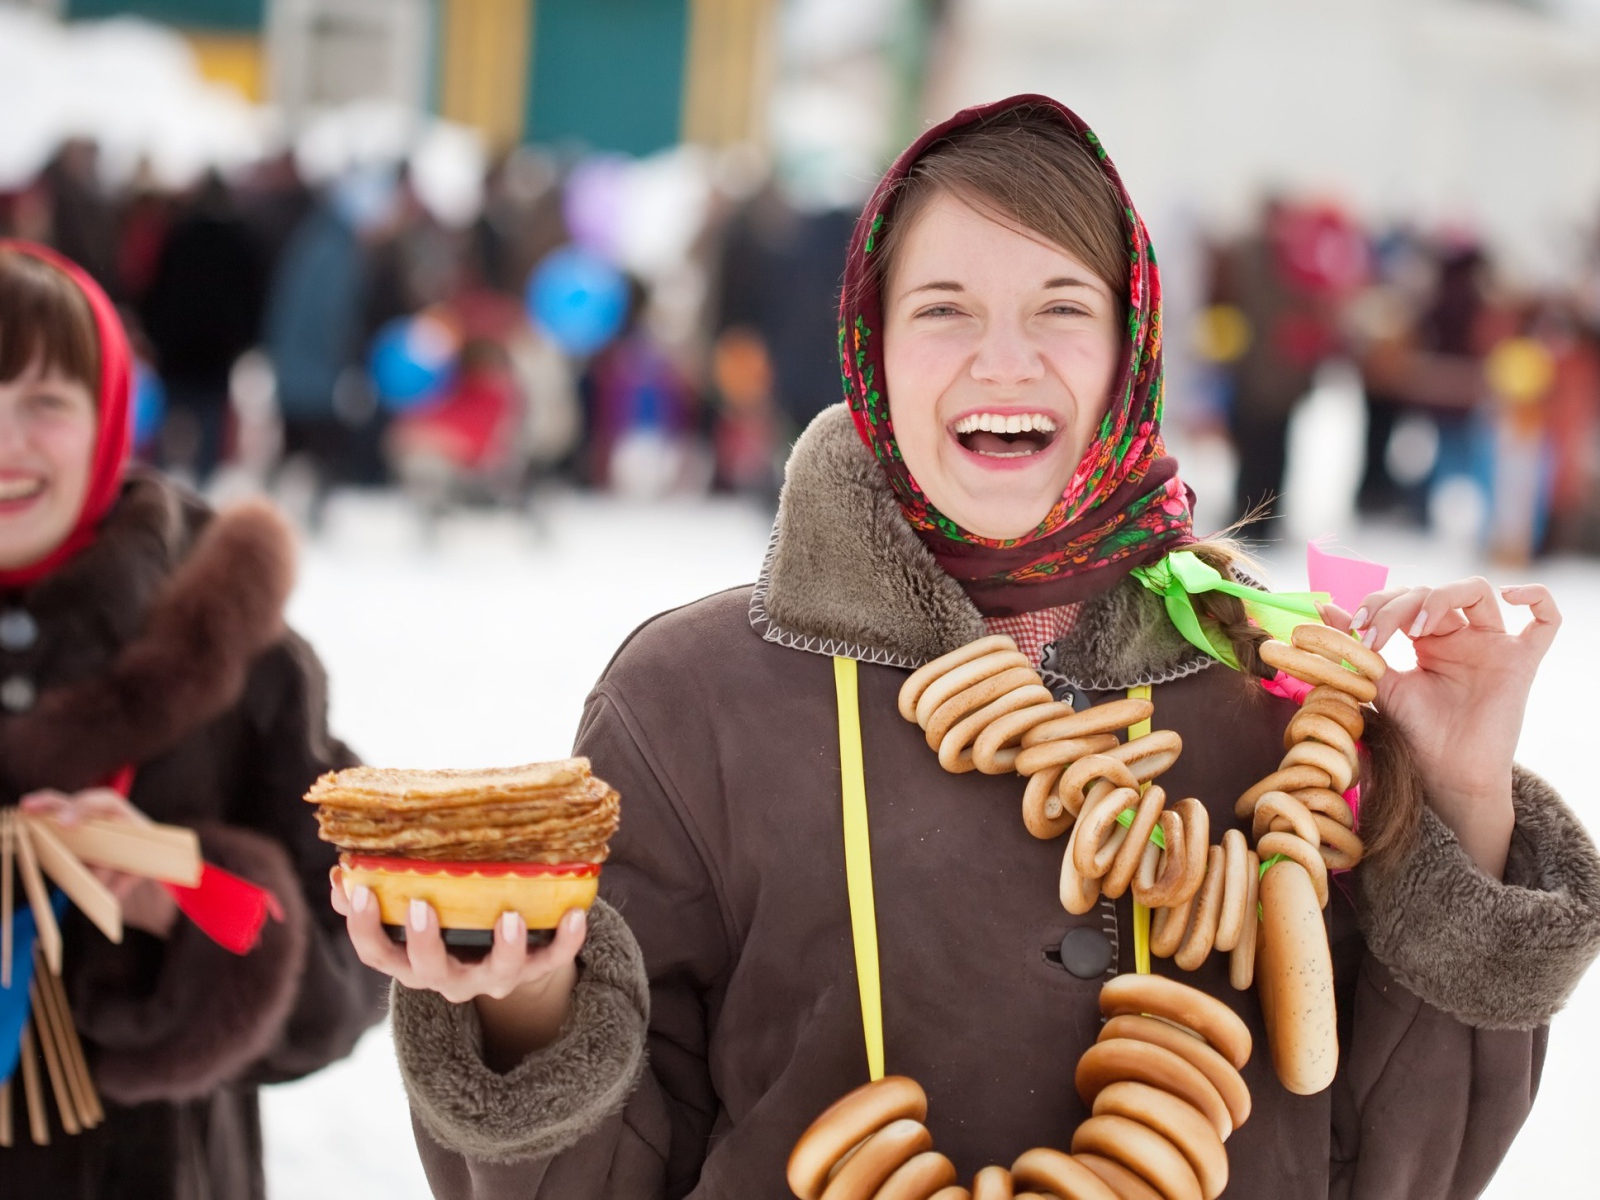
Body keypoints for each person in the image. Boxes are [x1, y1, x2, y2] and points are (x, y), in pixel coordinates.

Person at [335, 98, 1600, 1198]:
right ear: (872, 349)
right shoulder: (691, 703)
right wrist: (516, 1002)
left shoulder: (1275, 701)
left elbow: (1399, 1169)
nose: (1005, 359)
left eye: (1061, 305)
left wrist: (1463, 795)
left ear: (1132, 350)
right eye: (943, 308)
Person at [0, 242, 386, 1197]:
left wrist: (186, 892)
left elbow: (353, 966)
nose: (6, 442)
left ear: (109, 418)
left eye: (44, 402)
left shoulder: (232, 646)